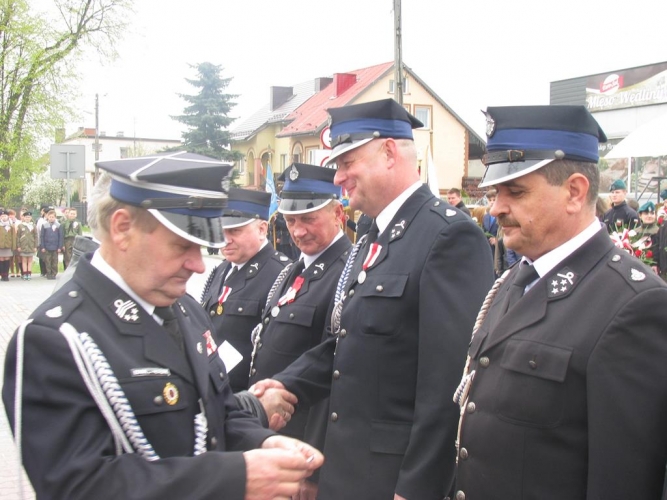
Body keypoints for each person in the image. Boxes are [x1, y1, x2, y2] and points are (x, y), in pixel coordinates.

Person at [2, 151, 323, 499]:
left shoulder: (184, 309)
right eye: (181, 246)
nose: (199, 265)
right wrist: (236, 476)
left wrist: (263, 442)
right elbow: (78, 486)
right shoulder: (56, 339)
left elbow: (217, 412)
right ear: (122, 228)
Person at [253, 99, 495, 500]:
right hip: (348, 470)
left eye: (347, 162)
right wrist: (284, 383)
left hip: (392, 479)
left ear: (388, 153)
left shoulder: (448, 236)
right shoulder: (373, 237)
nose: (338, 177)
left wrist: (417, 489)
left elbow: (448, 384)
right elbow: (349, 342)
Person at [454, 105, 667, 500]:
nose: (497, 207)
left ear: (574, 192)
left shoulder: (633, 304)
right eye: (496, 193)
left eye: (516, 192)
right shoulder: (514, 280)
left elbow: (623, 479)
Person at [244, 163, 352, 458]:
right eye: (290, 220)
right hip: (273, 433)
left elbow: (334, 364)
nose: (298, 231)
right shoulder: (293, 270)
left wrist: (314, 457)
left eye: (308, 219)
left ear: (338, 214)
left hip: (304, 439)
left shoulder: (348, 273)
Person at [200, 188, 291, 393]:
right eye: (221, 231)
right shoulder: (222, 269)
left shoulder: (281, 273)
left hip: (249, 393)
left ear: (262, 229)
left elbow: (280, 348)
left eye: (234, 231)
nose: (226, 239)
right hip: (214, 387)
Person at [39, 208, 63, 279]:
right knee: (47, 261)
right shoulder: (44, 225)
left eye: (53, 217)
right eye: (50, 217)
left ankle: (54, 273)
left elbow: (60, 236)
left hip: (55, 247)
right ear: (47, 217)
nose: (51, 218)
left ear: (55, 217)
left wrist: (59, 247)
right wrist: (43, 246)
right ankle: (48, 273)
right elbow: (42, 236)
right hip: (47, 247)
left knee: (54, 261)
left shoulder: (58, 225)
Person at [15, 210, 38, 280]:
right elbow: (18, 236)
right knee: (24, 260)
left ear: (31, 218)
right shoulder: (20, 226)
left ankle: (29, 274)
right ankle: (25, 273)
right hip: (23, 246)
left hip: (31, 245)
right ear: (24, 218)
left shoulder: (33, 226)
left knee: (30, 260)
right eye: (26, 217)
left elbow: (36, 236)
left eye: (29, 217)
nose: (27, 218)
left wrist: (35, 246)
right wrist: (18, 246)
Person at [0, 209, 16, 281]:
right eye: (2, 216)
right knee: (1, 260)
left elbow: (13, 236)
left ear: (7, 216)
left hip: (8, 245)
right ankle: (2, 275)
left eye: (5, 216)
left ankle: (6, 275)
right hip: (0, 245)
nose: (3, 217)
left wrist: (14, 246)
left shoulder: (11, 225)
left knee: (7, 260)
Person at [482, 189, 499, 255]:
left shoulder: (502, 215)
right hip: (487, 249)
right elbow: (483, 231)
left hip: (498, 250)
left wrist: (497, 241)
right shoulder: (486, 216)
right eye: (490, 200)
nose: (492, 202)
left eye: (494, 200)